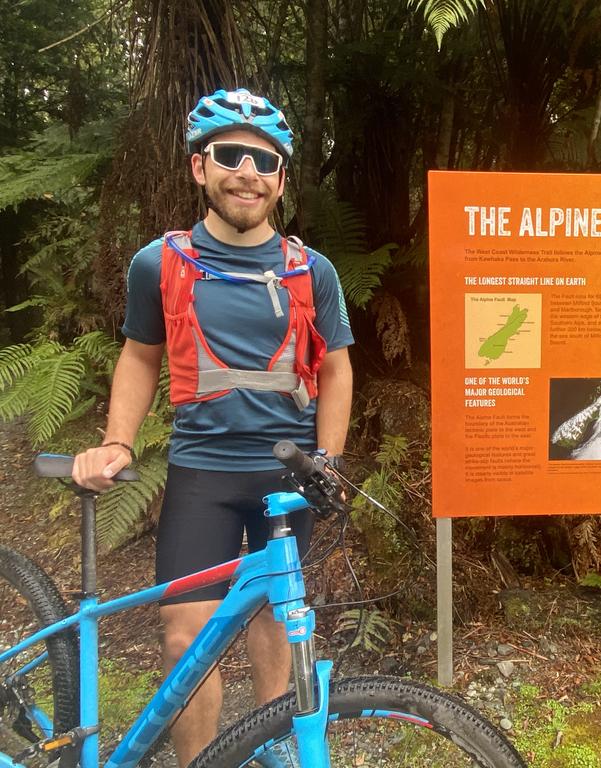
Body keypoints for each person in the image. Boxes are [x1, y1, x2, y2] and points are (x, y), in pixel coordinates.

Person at [72, 88, 353, 766]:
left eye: (265, 161)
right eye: (230, 156)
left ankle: (271, 748)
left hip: (289, 477)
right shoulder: (158, 263)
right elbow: (140, 356)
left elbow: (337, 369)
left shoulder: (312, 271)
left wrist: (329, 460)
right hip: (203, 473)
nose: (247, 173)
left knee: (276, 628)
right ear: (200, 167)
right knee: (186, 641)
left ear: (281, 180)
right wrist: (117, 441)